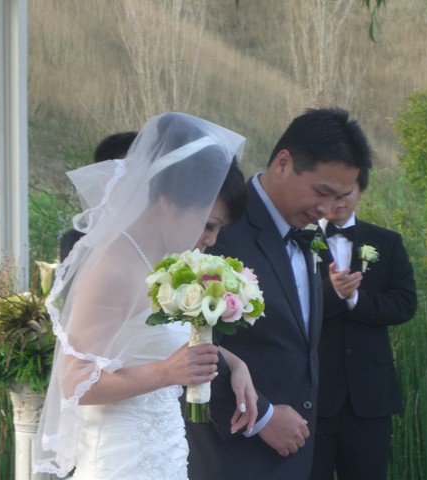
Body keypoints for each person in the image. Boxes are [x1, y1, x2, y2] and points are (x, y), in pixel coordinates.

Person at [33, 113, 258, 479]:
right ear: (168, 201)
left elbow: (149, 341)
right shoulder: (114, 267)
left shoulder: (163, 263)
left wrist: (234, 363)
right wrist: (165, 372)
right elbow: (75, 382)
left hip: (166, 451)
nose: (211, 240)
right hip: (119, 459)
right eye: (208, 224)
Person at [186, 107, 373, 480]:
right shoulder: (220, 226)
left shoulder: (307, 234)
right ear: (284, 163)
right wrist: (264, 417)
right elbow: (187, 341)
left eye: (339, 196)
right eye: (321, 191)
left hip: (293, 453)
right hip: (229, 453)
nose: (327, 209)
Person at [310, 167, 417, 480]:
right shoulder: (301, 239)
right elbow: (289, 304)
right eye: (330, 193)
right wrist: (331, 293)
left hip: (371, 395)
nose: (339, 201)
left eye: (347, 193)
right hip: (315, 392)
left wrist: (356, 299)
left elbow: (405, 304)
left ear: (361, 191)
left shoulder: (387, 241)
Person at [59, 131, 138, 262]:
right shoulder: (79, 240)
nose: (138, 182)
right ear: (104, 180)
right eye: (128, 174)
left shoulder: (166, 231)